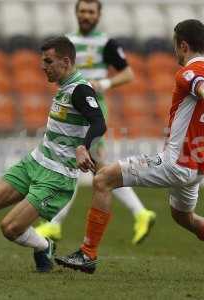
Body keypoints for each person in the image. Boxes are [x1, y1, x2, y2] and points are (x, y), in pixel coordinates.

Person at [55, 19, 204, 281]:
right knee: (183, 217)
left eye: (175, 45)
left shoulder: (188, 73)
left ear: (183, 45)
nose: (175, 51)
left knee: (103, 179)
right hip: (198, 167)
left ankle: (87, 253)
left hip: (175, 162)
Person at [0, 36, 107, 273]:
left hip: (56, 177)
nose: (42, 66)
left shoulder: (80, 90)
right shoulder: (65, 87)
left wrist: (82, 147)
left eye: (48, 61)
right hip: (35, 161)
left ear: (66, 61)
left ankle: (44, 245)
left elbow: (99, 123)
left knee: (10, 228)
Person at [35, 0, 156, 245]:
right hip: (71, 107)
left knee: (78, 163)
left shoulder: (106, 43)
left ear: (99, 15)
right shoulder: (66, 42)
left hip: (93, 110)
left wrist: (106, 83)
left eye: (91, 12)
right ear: (76, 13)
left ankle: (54, 224)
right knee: (97, 167)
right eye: (82, 11)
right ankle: (140, 212)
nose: (86, 16)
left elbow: (128, 73)